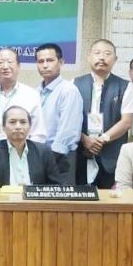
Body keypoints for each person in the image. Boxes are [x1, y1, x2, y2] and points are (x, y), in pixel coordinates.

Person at [74, 39, 133, 188]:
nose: (102, 57)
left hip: (111, 158)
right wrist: (84, 139)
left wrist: (102, 139)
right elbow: (68, 120)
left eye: (107, 54)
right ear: (89, 57)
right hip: (80, 155)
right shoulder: (74, 84)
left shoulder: (125, 86)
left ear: (115, 59)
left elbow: (126, 121)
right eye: (97, 53)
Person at [0, 47, 46, 155]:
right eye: (0, 63)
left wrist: (29, 157)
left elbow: (38, 133)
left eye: (10, 62)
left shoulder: (31, 95)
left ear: (19, 66)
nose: (5, 66)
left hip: (21, 158)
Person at [0, 106, 68, 188]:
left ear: (30, 127)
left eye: (23, 122)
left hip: (35, 206)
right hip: (2, 205)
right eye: (12, 122)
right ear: (3, 128)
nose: (18, 126)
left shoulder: (44, 152)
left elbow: (56, 186)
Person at [35, 43, 83, 185]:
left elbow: (68, 130)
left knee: (60, 203)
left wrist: (50, 158)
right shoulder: (35, 92)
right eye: (40, 61)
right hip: (39, 157)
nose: (45, 65)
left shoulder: (68, 90)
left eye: (50, 60)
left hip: (61, 158)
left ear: (61, 62)